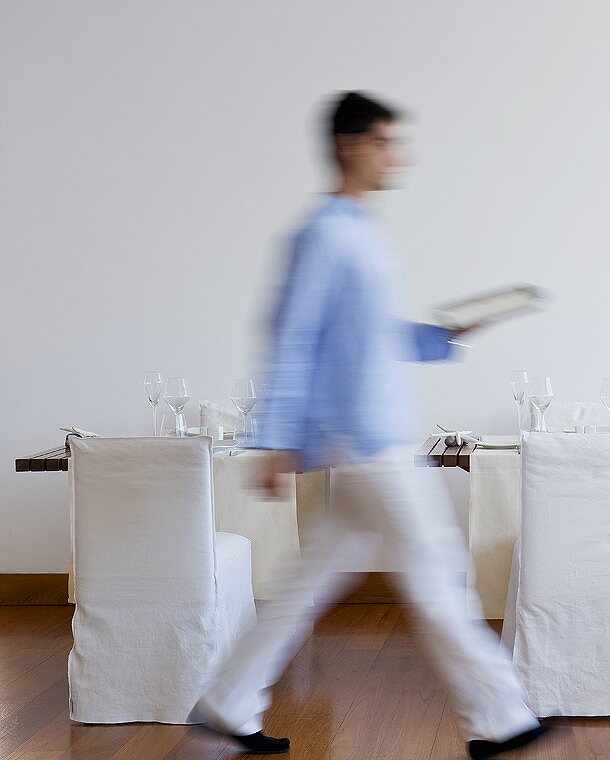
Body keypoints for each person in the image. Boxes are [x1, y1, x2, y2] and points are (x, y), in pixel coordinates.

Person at [194, 91, 549, 759]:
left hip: (369, 437)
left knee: (308, 581)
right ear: (351, 145)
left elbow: (369, 335)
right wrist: (272, 437)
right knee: (439, 573)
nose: (398, 157)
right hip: (367, 441)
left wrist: (441, 337)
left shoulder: (364, 232)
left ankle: (227, 703)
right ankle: (503, 719)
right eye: (387, 143)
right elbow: (293, 336)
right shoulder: (322, 233)